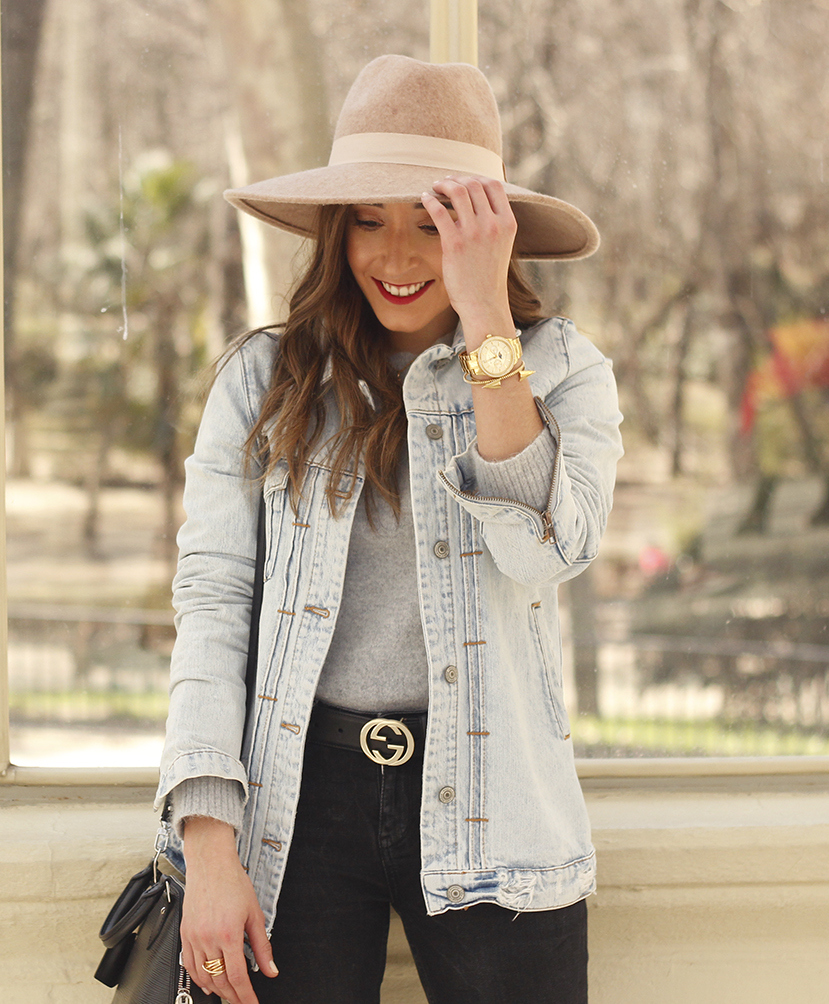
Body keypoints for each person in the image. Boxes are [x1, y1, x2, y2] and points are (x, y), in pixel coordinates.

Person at [155, 55, 622, 1004]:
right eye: (370, 220)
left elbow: (545, 551)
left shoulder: (563, 372)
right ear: (337, 230)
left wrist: (486, 319)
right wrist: (207, 844)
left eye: (434, 224)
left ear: (487, 233)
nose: (398, 259)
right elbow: (213, 604)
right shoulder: (264, 381)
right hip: (295, 806)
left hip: (498, 802)